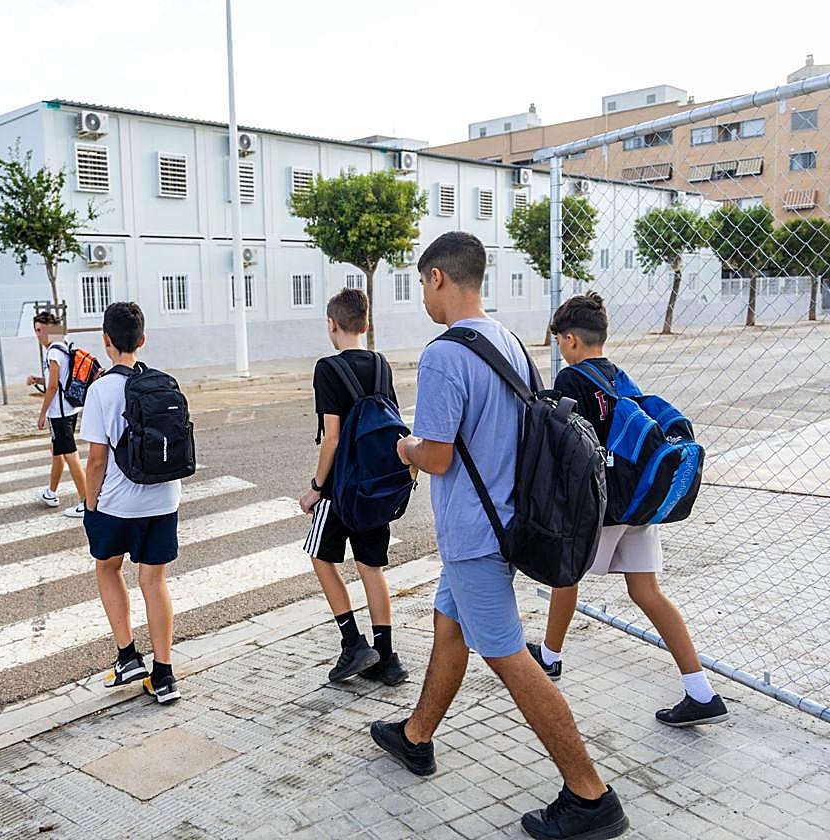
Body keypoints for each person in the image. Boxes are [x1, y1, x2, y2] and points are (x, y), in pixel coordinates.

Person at [370, 232, 629, 840]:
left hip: (472, 534)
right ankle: (416, 737)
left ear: (438, 278)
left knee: (510, 657)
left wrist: (402, 444)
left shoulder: (442, 355)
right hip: (506, 519)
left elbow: (434, 455)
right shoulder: (511, 340)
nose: (423, 301)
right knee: (448, 624)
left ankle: (590, 795)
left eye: (421, 286)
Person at [528, 291, 728, 727]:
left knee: (567, 574)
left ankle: (549, 657)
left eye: (559, 341)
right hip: (639, 500)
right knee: (647, 593)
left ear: (571, 341)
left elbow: (568, 449)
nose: (560, 350)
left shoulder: (571, 381)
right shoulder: (619, 377)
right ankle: (701, 691)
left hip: (602, 505)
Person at [298, 288, 408, 686]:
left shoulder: (327, 368)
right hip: (374, 486)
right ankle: (388, 657)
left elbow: (332, 437)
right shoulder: (381, 365)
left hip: (340, 489)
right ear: (366, 323)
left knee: (320, 557)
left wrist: (315, 487)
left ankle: (352, 643)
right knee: (371, 567)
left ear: (332, 324)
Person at [79, 302, 181, 705]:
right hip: (164, 498)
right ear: (142, 340)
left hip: (119, 504)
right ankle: (165, 676)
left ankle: (127, 657)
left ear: (106, 341)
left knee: (108, 567)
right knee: (154, 581)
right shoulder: (165, 383)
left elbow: (97, 460)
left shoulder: (101, 390)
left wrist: (90, 505)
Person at [28, 311, 86, 518]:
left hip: (59, 413)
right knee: (58, 451)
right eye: (36, 330)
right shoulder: (64, 345)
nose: (38, 335)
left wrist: (42, 413)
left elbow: (52, 387)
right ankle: (51, 493)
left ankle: (87, 502)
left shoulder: (53, 352)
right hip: (69, 409)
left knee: (71, 455)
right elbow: (58, 380)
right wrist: (37, 379)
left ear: (50, 330)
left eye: (40, 330)